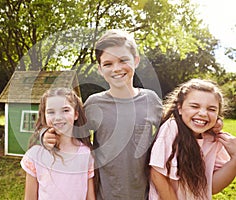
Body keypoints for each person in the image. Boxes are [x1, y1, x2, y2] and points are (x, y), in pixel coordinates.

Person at [42, 29, 163, 199]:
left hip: (142, 193)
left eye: (123, 60)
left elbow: (173, 134)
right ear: (99, 69)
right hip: (102, 194)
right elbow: (68, 131)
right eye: (108, 64)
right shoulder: (94, 104)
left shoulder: (151, 100)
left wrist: (212, 127)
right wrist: (45, 135)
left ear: (136, 61)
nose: (116, 68)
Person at [148, 79, 236, 200]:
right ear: (179, 108)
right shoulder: (172, 127)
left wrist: (235, 158)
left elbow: (212, 187)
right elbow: (156, 174)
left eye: (211, 109)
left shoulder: (213, 138)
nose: (203, 113)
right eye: (195, 106)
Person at [20, 87, 96, 200]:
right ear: (44, 116)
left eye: (65, 110)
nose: (58, 117)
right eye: (51, 112)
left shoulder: (85, 153)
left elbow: (90, 196)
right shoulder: (35, 155)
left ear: (76, 114)